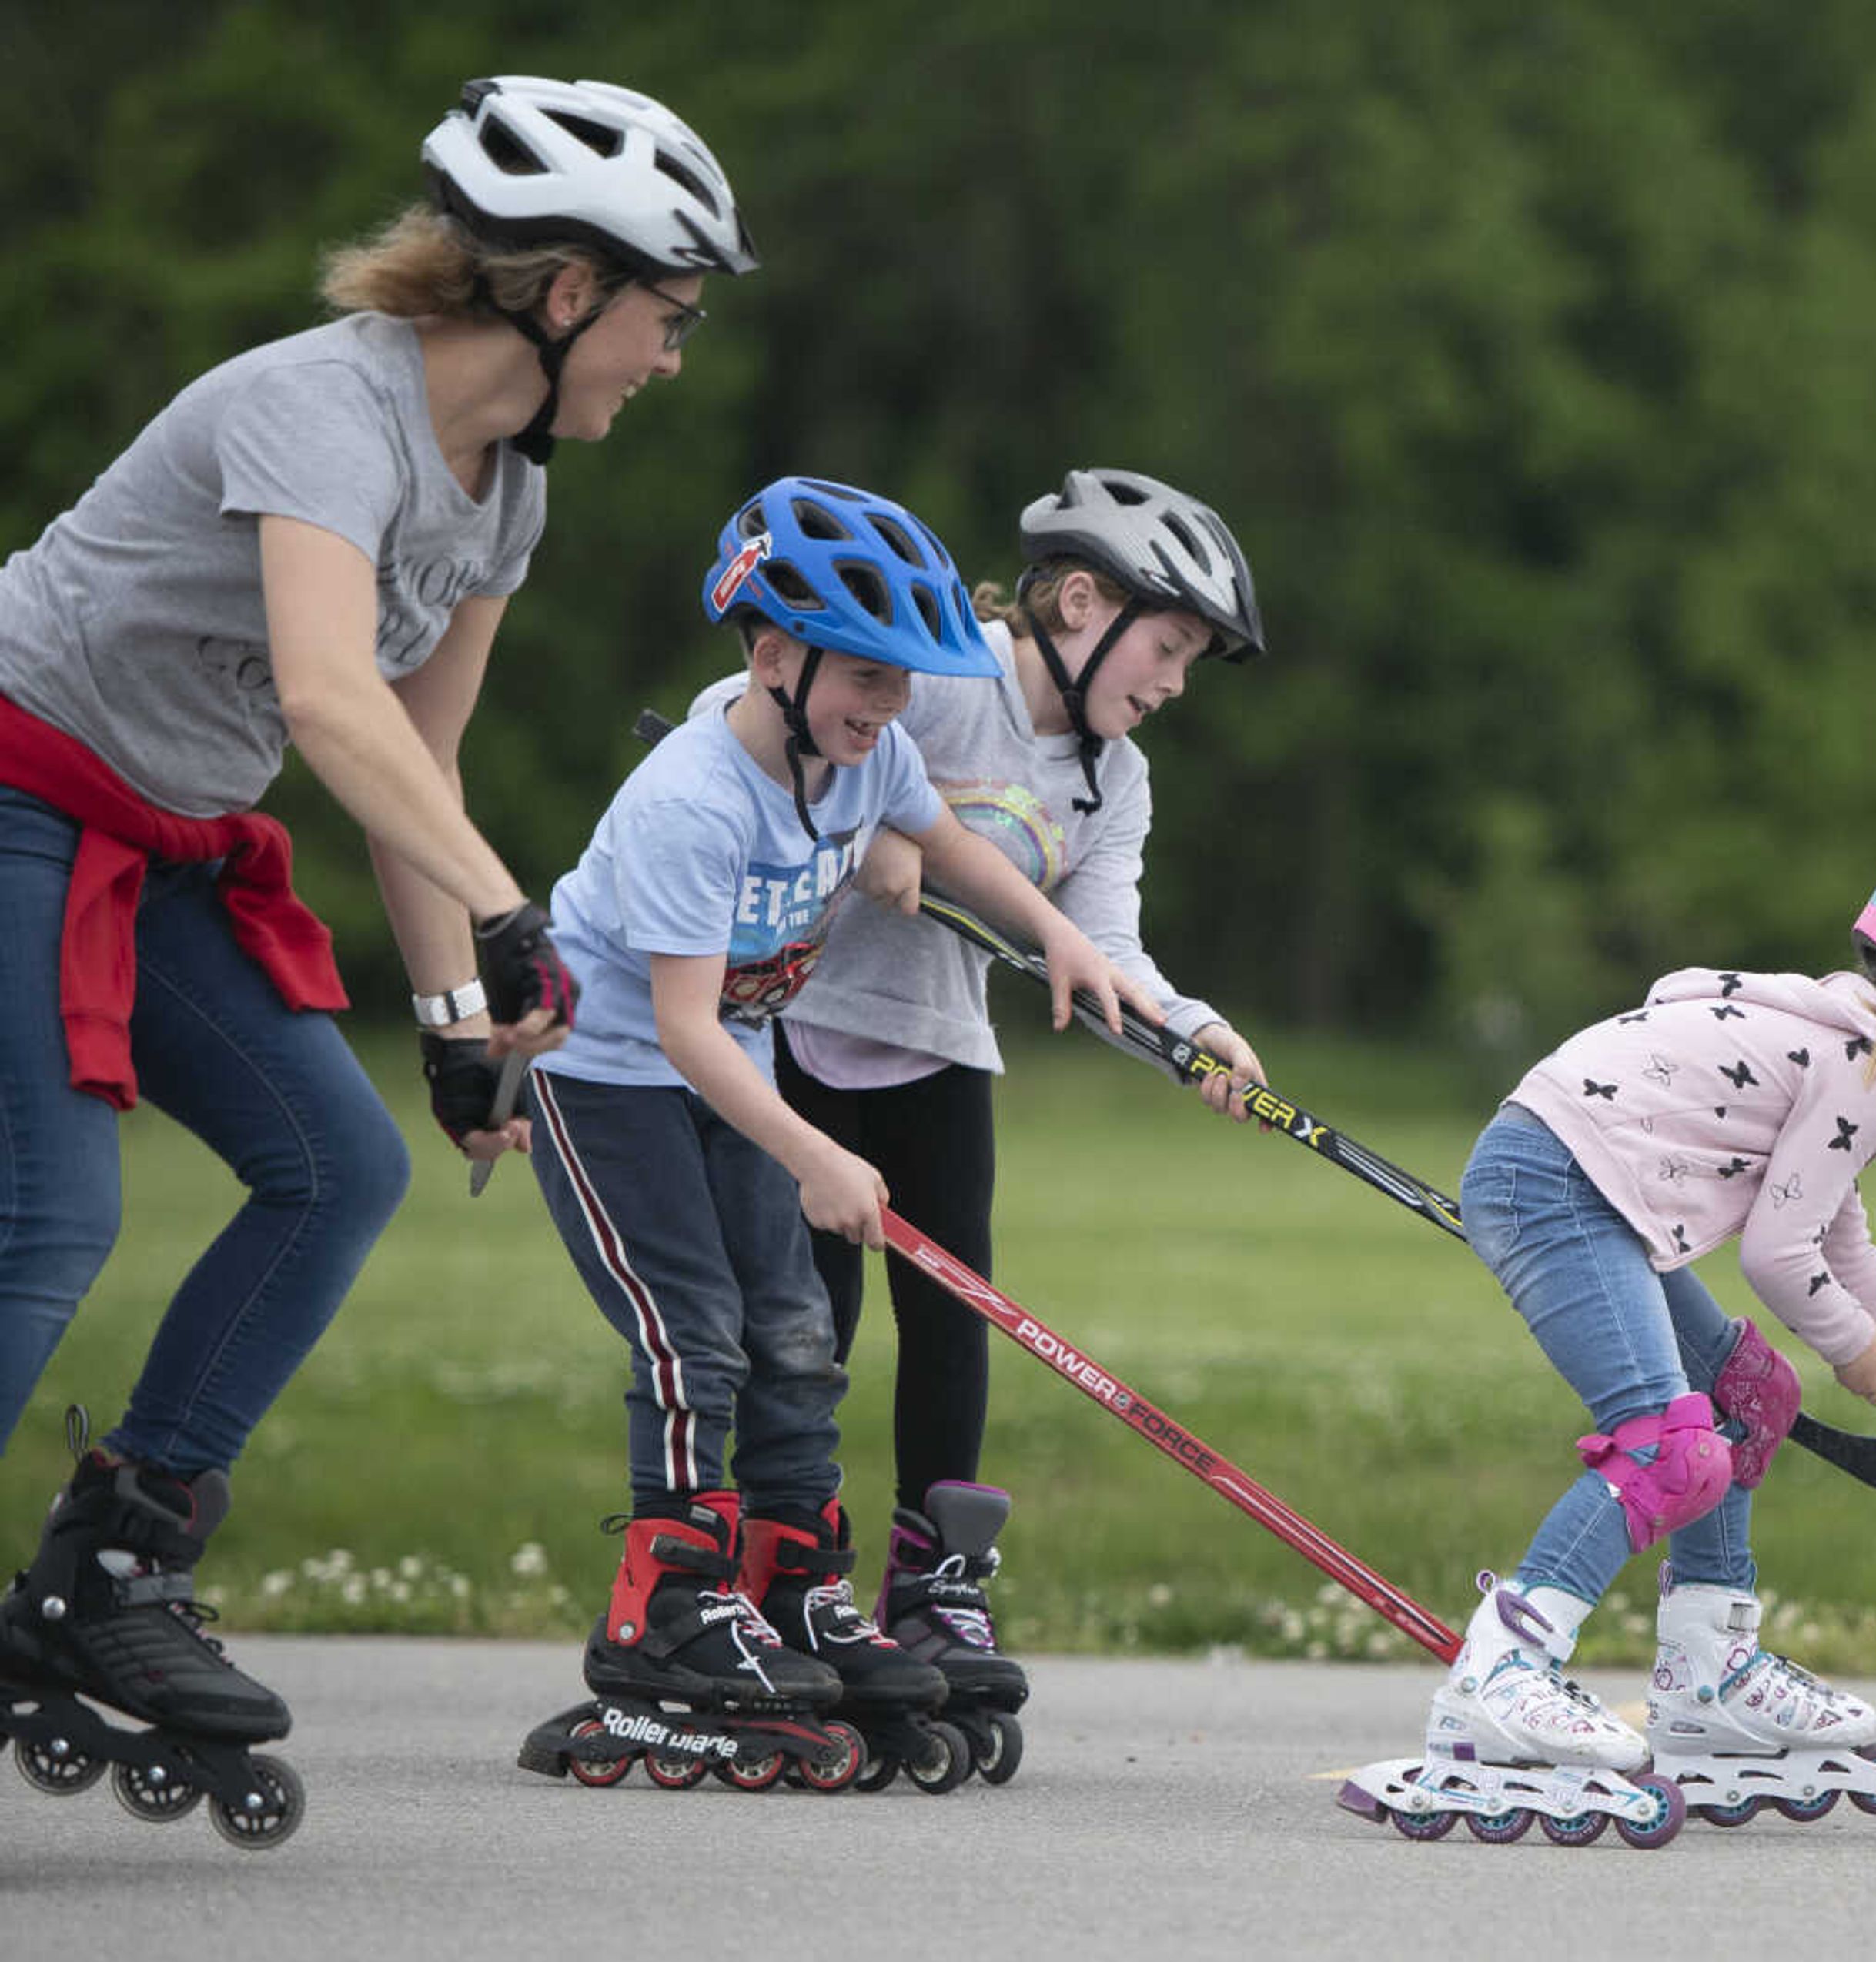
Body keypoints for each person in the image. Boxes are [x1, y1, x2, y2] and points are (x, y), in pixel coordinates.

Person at [0, 75, 751, 1833]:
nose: (672, 356)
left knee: (335, 1168)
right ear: (563, 289)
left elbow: (424, 760)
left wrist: (455, 1019)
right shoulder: (321, 409)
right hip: (17, 792)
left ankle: (111, 1569)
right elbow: (332, 698)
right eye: (667, 316)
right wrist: (511, 915)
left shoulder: (509, 493)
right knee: (54, 1218)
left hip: (165, 838)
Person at [519, 474, 1158, 1792]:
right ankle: (669, 1606)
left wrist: (1058, 936)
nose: (887, 707)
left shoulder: (868, 759)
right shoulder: (691, 799)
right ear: (772, 656)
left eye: (901, 683)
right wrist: (816, 1151)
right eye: (864, 680)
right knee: (693, 1332)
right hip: (607, 1076)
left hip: (721, 1072)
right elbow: (687, 1028)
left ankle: (793, 1578)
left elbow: (955, 845)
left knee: (796, 1335)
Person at [1342, 842, 1876, 1843]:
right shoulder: (1859, 1069)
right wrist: (1863, 1355)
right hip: (1560, 1184)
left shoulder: (1848, 1053)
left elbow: (1839, 1237)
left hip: (1588, 1186)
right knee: (1667, 1442)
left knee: (1748, 1398)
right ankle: (1502, 1672)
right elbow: (1784, 1262)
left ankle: (1706, 1677)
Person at [687, 467, 1269, 1737]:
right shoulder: (944, 676)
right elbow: (735, 712)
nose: (1173, 683)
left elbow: (1101, 937)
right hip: (798, 1035)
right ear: (1077, 601)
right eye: (1167, 647)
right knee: (810, 1322)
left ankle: (934, 1583)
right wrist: (867, 825)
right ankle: (786, 1573)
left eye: (1186, 664)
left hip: (939, 1054)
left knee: (956, 1322)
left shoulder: (1118, 781)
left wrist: (1199, 1028)